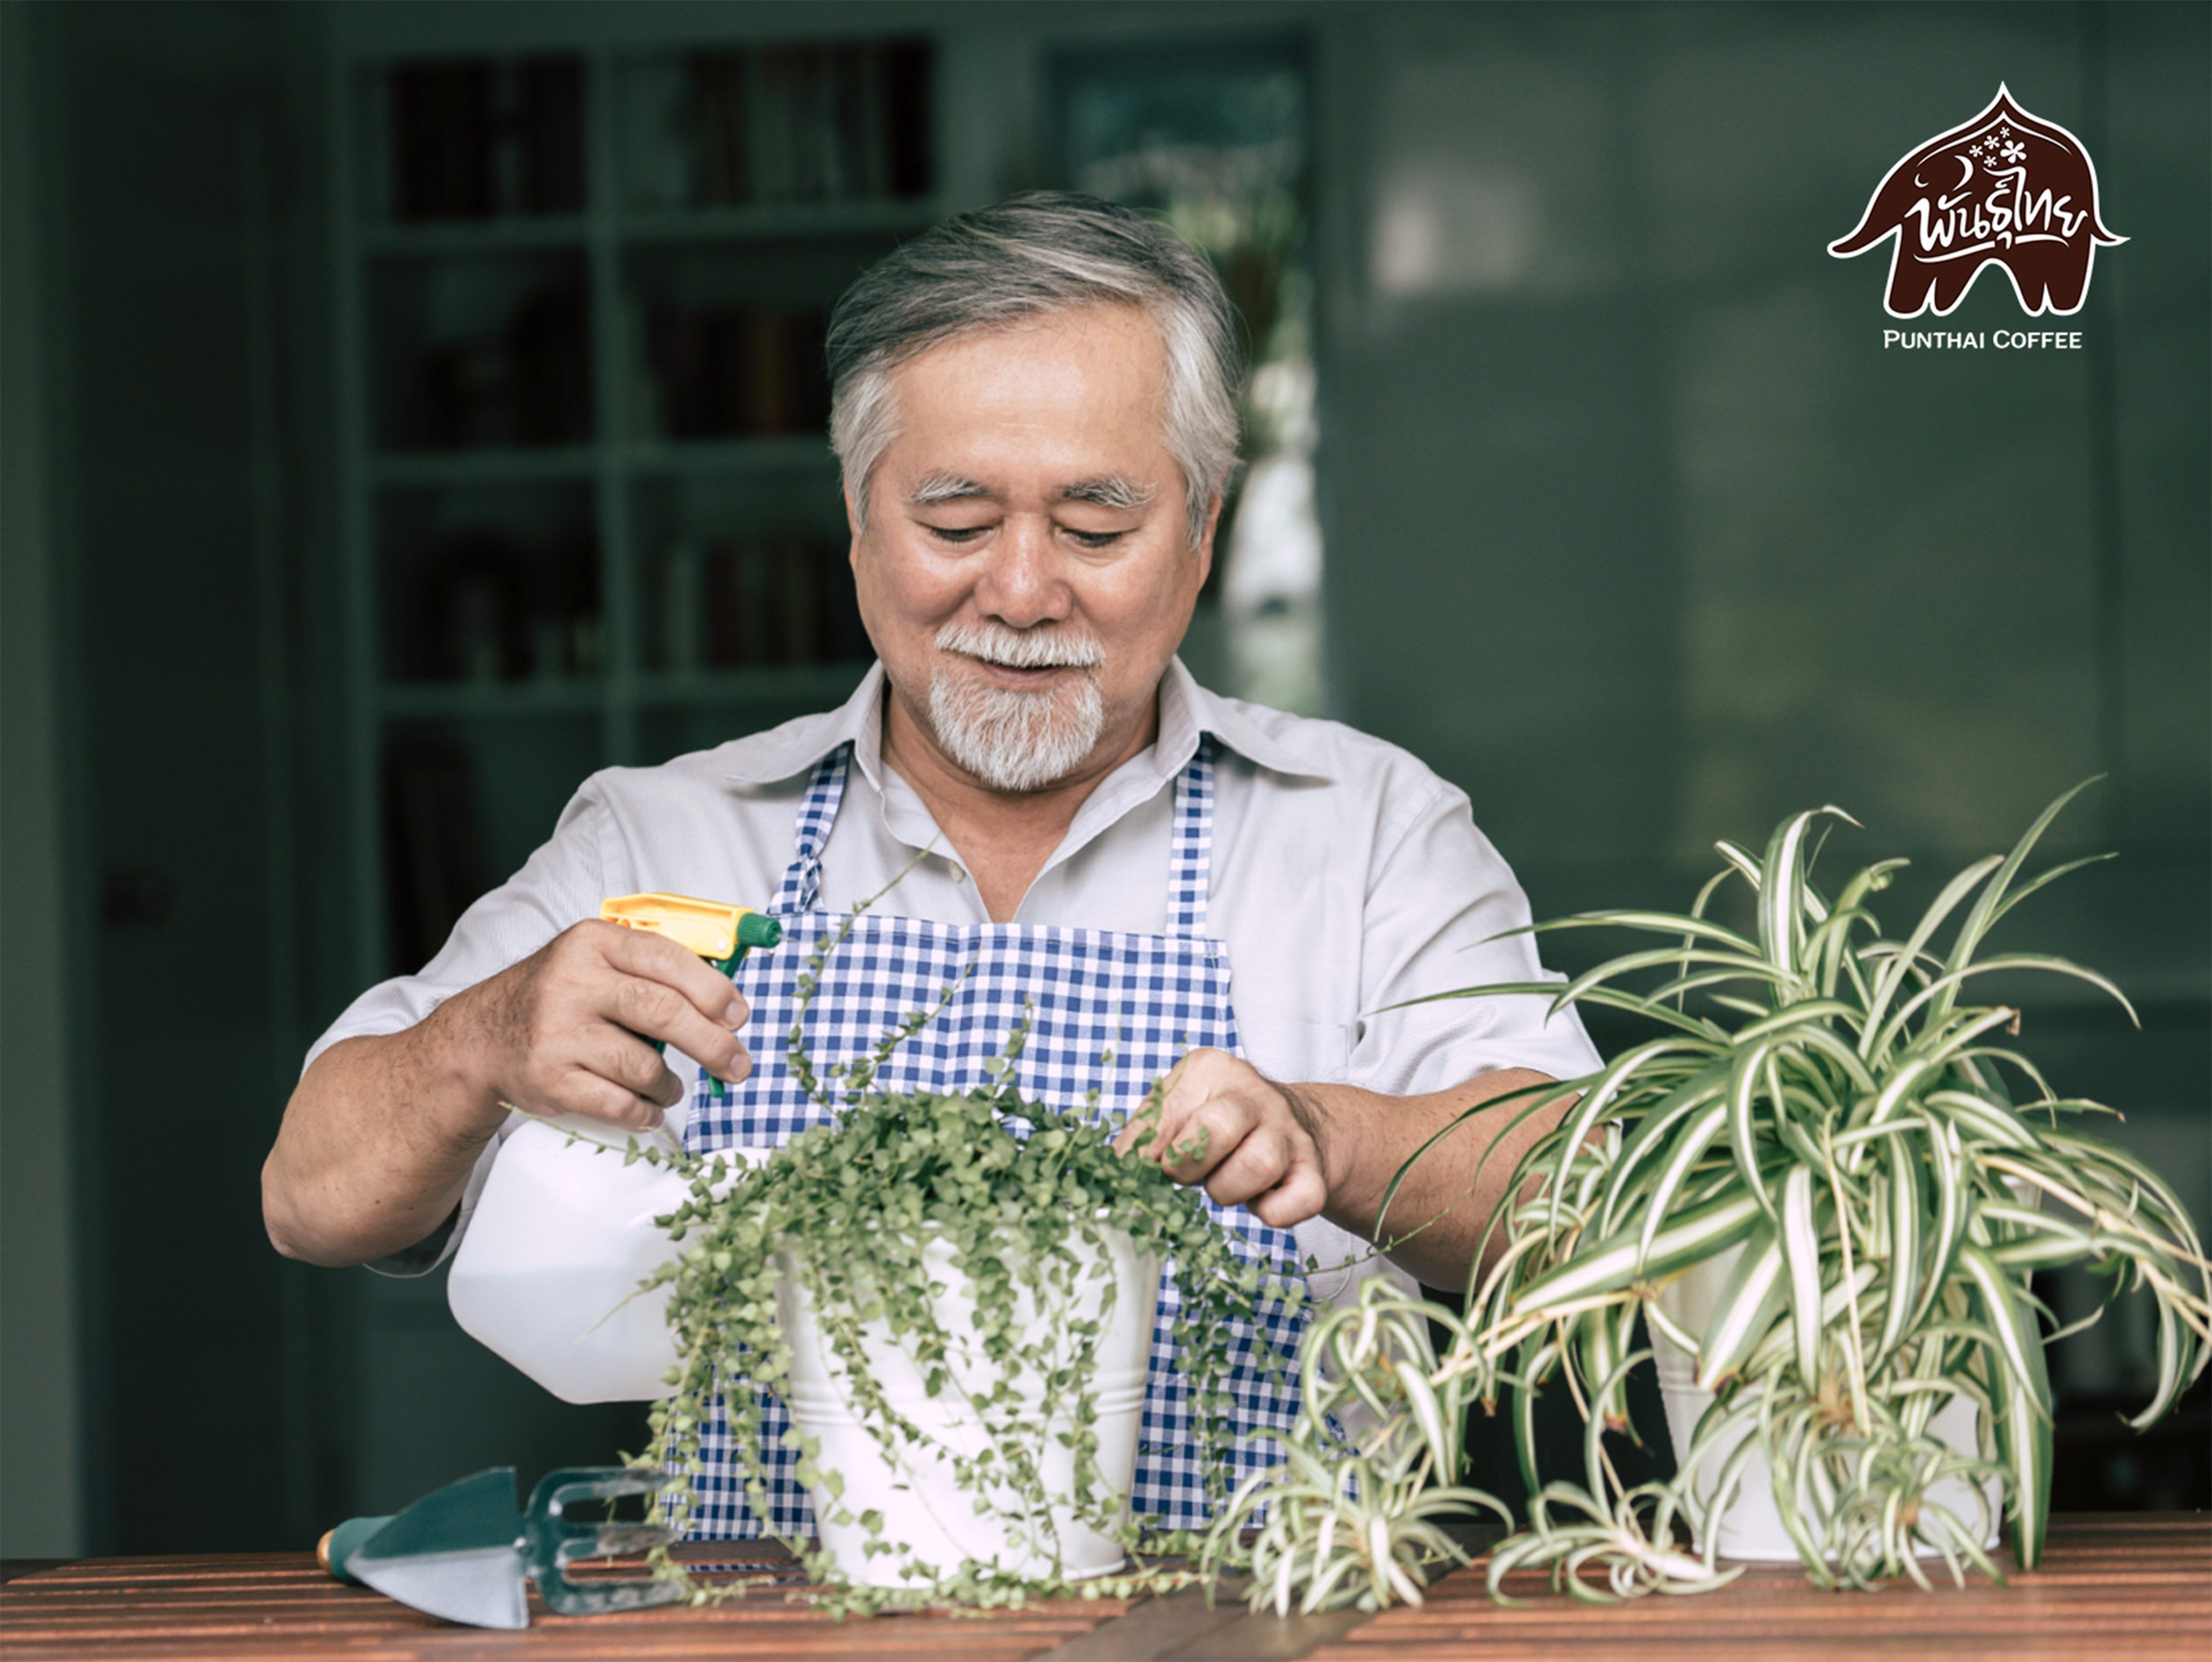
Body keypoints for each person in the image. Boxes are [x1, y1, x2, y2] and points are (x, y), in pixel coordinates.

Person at [262, 192, 1599, 1535]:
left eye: (1094, 527)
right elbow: (309, 1196)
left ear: (1201, 535)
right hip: (769, 1632)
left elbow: (1588, 1200)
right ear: (856, 527)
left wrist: (1329, 1134)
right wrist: (484, 1037)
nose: (1020, 592)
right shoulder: (667, 834)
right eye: (956, 524)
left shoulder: (1366, 831)